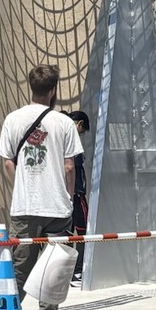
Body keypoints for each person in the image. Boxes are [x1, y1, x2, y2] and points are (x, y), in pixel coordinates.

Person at [0, 64, 82, 310]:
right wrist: (69, 198)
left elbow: (7, 162)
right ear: (53, 90)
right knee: (55, 263)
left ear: (31, 86)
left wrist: (22, 186)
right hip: (57, 206)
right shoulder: (64, 123)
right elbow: (69, 166)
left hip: (25, 206)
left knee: (20, 263)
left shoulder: (13, 119)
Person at [68, 109, 91, 282]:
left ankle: (67, 272)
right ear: (80, 124)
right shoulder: (72, 142)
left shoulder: (59, 139)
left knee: (65, 233)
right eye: (82, 132)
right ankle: (77, 271)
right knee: (84, 232)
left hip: (63, 195)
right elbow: (71, 168)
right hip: (75, 194)